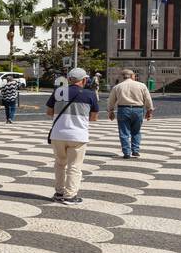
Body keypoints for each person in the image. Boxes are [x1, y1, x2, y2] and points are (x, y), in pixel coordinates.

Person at [44, 67, 100, 205]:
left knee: (59, 164)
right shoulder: (90, 94)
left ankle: (59, 192)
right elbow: (94, 118)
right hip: (77, 135)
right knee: (74, 166)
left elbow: (49, 112)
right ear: (84, 80)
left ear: (69, 79)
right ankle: (70, 196)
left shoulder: (58, 91)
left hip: (58, 134)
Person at [107, 68, 154, 158]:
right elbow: (148, 99)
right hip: (138, 110)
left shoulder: (117, 87)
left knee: (124, 132)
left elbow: (111, 101)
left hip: (123, 110)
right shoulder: (142, 86)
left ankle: (126, 152)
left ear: (123, 77)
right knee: (136, 131)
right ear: (133, 76)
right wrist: (149, 111)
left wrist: (111, 111)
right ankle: (135, 150)